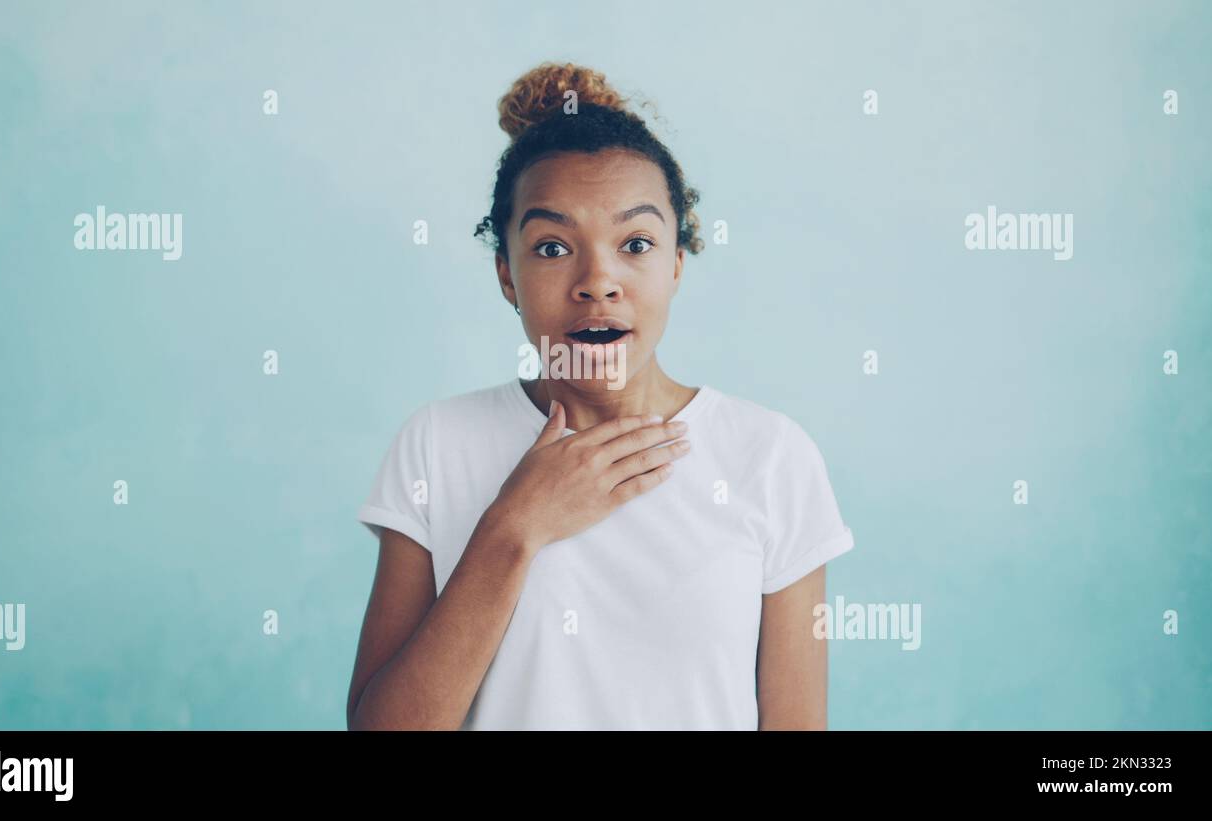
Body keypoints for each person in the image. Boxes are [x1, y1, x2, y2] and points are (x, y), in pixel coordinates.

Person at [346, 62, 855, 730]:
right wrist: (516, 522)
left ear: (677, 261)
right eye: (553, 246)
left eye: (636, 243)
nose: (598, 280)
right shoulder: (437, 446)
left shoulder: (771, 457)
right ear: (507, 272)